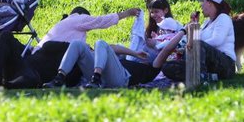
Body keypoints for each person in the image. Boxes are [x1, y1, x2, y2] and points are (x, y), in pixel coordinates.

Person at [0, 6, 140, 91]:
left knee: (6, 36)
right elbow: (99, 22)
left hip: (30, 67)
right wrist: (126, 14)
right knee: (6, 36)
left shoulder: (68, 34)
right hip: (38, 64)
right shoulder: (77, 19)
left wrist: (131, 52)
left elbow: (98, 50)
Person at [44, 30, 187, 89]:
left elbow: (167, 49)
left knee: (100, 43)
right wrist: (135, 53)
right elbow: (112, 48)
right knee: (77, 44)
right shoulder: (131, 59)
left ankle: (96, 78)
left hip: (120, 80)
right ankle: (59, 78)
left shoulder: (152, 68)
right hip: (102, 74)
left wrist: (184, 30)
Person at [161, 0, 236, 82]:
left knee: (198, 44)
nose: (201, 5)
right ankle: (207, 76)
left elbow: (217, 41)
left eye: (203, 1)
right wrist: (192, 28)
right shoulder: (206, 22)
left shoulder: (223, 18)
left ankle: (200, 76)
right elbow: (192, 42)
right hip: (205, 64)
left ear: (210, 3)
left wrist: (194, 45)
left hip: (225, 64)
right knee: (167, 66)